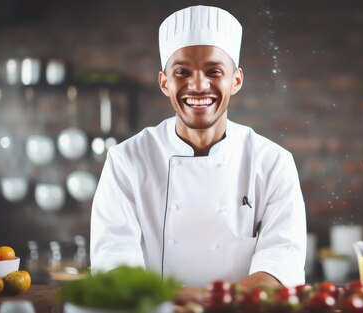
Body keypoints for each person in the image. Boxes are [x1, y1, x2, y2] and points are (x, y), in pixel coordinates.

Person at [90, 4, 307, 299]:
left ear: (236, 80)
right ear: (165, 82)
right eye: (182, 72)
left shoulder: (273, 162)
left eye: (214, 71)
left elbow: (282, 265)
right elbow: (113, 265)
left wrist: (199, 301)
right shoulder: (127, 161)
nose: (198, 85)